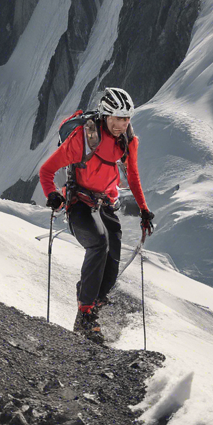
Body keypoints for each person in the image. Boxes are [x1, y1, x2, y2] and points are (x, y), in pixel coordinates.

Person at [39, 86, 155, 344]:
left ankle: (92, 304)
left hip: (105, 204)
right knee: (98, 243)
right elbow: (46, 171)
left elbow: (133, 176)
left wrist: (144, 210)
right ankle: (85, 315)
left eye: (127, 119)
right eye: (118, 118)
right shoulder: (83, 139)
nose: (123, 125)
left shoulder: (128, 141)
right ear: (105, 115)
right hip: (79, 203)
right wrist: (52, 194)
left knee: (112, 264)